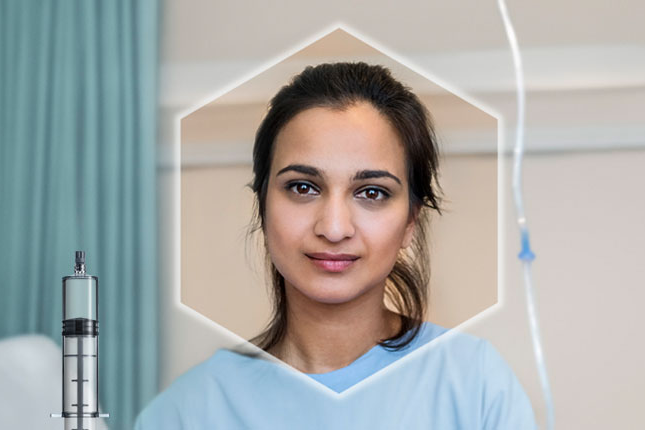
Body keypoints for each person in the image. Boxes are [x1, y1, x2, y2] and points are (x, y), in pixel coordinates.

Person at [135, 62, 537, 429]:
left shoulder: (475, 385)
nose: (333, 227)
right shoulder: (186, 412)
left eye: (372, 193)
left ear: (411, 221)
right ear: (262, 205)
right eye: (303, 187)